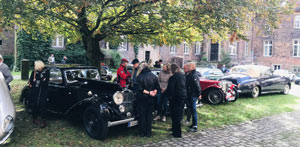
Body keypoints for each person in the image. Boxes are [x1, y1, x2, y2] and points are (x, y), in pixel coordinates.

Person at [135, 63, 160, 137]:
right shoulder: (154, 76)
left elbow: (140, 89)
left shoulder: (139, 77)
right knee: (149, 116)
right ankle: (148, 132)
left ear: (141, 68)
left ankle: (142, 133)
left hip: (142, 99)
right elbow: (157, 87)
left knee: (142, 116)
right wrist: (154, 92)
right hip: (151, 99)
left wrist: (149, 92)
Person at [165, 63, 187, 138]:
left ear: (172, 70)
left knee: (175, 115)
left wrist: (168, 96)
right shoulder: (182, 75)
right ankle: (176, 131)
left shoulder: (173, 78)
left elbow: (170, 89)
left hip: (175, 98)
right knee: (179, 114)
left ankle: (176, 133)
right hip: (182, 97)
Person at [28, 60, 50, 128]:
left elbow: (45, 82)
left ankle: (43, 120)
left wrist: (38, 81)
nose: (34, 66)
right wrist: (40, 81)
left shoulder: (46, 71)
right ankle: (35, 118)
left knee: (42, 105)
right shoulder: (34, 72)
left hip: (43, 91)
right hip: (35, 91)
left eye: (35, 65)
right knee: (35, 104)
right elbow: (31, 81)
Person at [185, 62, 202, 132]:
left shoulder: (194, 75)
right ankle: (193, 124)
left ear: (193, 67)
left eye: (189, 66)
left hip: (193, 95)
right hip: (190, 94)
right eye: (188, 66)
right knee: (191, 109)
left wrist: (199, 94)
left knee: (193, 110)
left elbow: (197, 86)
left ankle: (195, 126)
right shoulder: (190, 74)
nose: (188, 67)